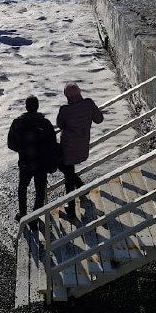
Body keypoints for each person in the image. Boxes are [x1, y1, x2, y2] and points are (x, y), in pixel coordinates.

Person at [56, 83, 104, 218]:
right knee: (69, 173)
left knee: (68, 175)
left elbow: (60, 124)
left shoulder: (65, 109)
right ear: (80, 92)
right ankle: (82, 189)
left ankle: (71, 209)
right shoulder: (88, 104)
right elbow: (99, 119)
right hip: (83, 147)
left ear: (66, 96)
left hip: (67, 148)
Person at [7, 95, 57, 223]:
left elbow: (11, 144)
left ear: (26, 107)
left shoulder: (17, 123)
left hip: (25, 162)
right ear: (37, 106)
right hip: (41, 163)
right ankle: (35, 217)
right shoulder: (45, 123)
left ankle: (23, 214)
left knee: (22, 188)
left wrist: (22, 149)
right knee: (40, 191)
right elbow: (52, 143)